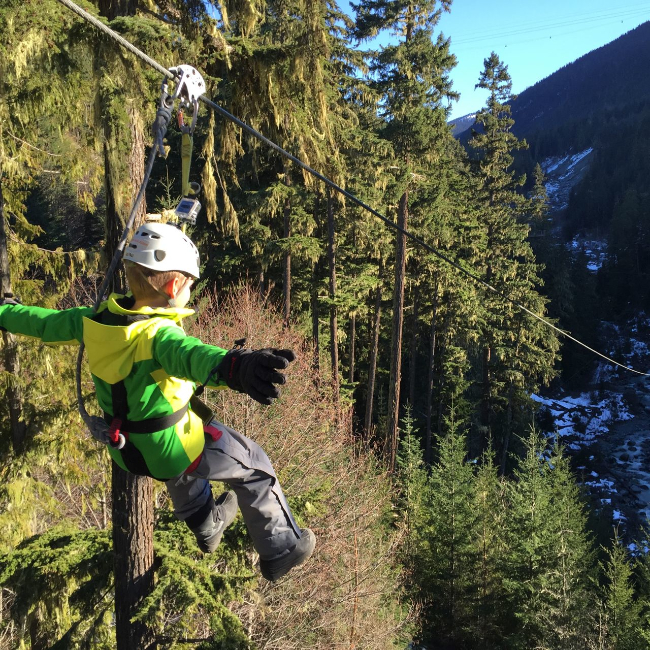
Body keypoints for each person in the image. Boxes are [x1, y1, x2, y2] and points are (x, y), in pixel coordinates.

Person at [0, 220, 315, 581]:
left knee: (180, 461)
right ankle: (282, 548)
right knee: (254, 465)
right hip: (171, 447)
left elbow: (45, 323)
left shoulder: (93, 320)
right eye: (190, 285)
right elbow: (194, 356)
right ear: (174, 284)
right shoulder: (158, 335)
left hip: (127, 450)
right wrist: (236, 366)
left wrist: (5, 313)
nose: (191, 292)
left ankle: (209, 528)